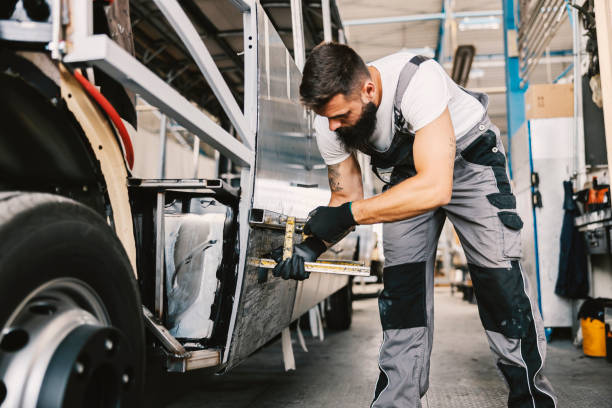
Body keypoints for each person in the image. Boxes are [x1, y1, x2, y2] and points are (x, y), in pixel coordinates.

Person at [271, 43, 557, 408]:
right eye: (327, 118)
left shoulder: (417, 78)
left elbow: (436, 186)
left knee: (498, 279)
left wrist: (347, 215)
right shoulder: (331, 122)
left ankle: (531, 398)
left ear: (369, 91)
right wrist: (313, 245)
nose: (333, 126)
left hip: (470, 159)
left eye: (341, 115)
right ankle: (396, 402)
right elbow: (346, 199)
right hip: (405, 176)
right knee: (402, 290)